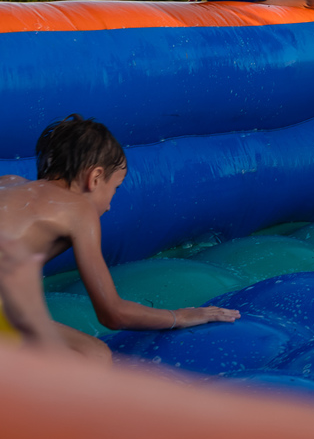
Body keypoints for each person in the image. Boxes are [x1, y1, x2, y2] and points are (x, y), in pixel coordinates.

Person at [0, 116, 242, 362]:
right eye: (115, 188)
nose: (109, 206)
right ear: (95, 178)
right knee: (93, 355)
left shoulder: (9, 182)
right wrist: (179, 316)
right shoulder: (79, 209)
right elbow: (112, 314)